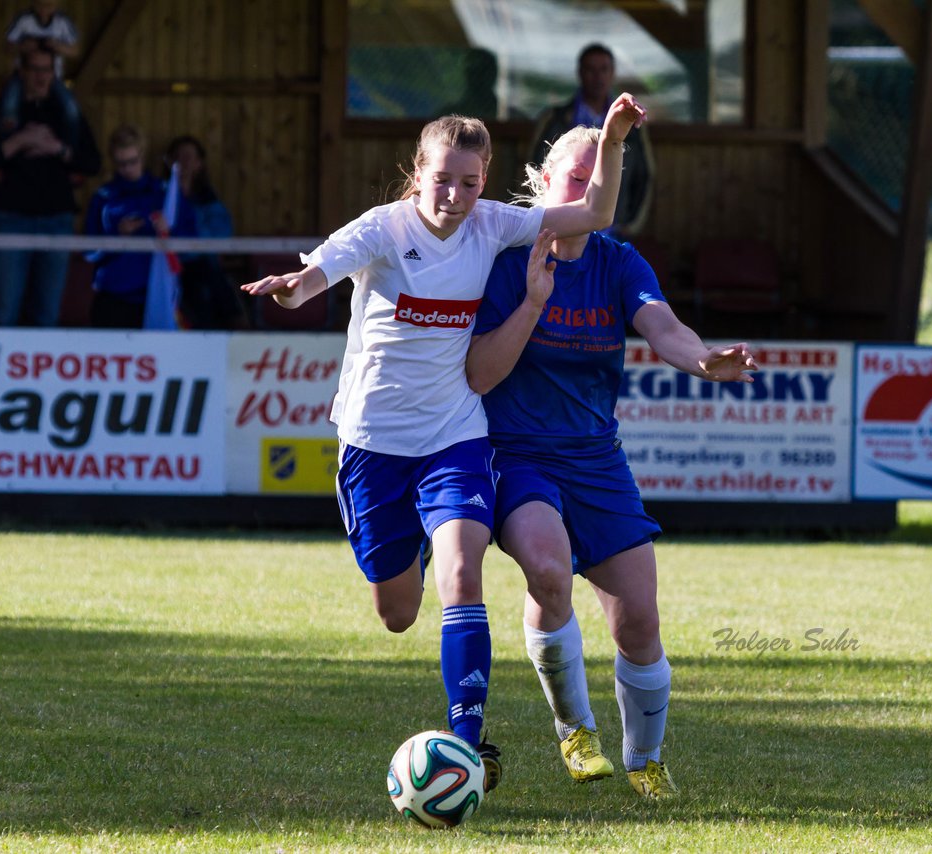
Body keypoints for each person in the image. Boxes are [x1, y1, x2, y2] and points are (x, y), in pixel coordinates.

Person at [241, 94, 648, 794]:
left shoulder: (493, 226)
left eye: (469, 181)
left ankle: (467, 748)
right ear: (418, 173)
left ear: (485, 178)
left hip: (455, 439)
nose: (454, 196)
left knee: (464, 575)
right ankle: (414, 547)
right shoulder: (383, 229)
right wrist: (294, 286)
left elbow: (595, 215)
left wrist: (611, 139)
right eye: (442, 180)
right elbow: (319, 273)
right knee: (398, 613)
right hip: (373, 446)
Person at [467, 125, 757, 799]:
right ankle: (576, 730)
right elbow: (475, 368)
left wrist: (703, 360)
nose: (590, 190)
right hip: (517, 454)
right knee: (546, 566)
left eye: (601, 178)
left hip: (597, 459)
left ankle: (645, 760)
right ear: (541, 183)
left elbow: (663, 325)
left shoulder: (619, 262)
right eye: (575, 177)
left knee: (639, 623)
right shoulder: (504, 261)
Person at [0, 45, 100, 327]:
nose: (41, 77)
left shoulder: (66, 111)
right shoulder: (3, 109)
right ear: (21, 72)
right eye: (35, 69)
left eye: (47, 70)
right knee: (5, 313)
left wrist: (57, 148)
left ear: (55, 73)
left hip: (57, 220)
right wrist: (20, 141)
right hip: (12, 219)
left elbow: (92, 163)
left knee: (48, 314)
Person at [530, 43, 654, 238]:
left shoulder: (632, 122)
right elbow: (536, 167)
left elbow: (643, 176)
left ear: (612, 74)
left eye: (604, 69)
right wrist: (542, 219)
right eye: (591, 70)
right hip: (561, 227)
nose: (598, 77)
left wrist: (631, 225)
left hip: (614, 230)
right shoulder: (555, 119)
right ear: (580, 73)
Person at [84, 125, 196, 329]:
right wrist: (117, 235)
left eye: (132, 161)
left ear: (142, 156)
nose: (127, 168)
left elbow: (192, 242)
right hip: (113, 295)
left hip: (156, 296)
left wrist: (168, 231)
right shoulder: (104, 197)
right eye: (121, 163)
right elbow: (89, 251)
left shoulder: (164, 193)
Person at [165, 135, 247, 329]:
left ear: (200, 163)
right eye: (178, 157)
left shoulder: (209, 202)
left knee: (209, 284)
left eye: (189, 157)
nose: (183, 163)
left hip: (202, 268)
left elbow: (221, 234)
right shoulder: (159, 195)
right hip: (166, 267)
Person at [0, 0, 82, 149]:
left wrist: (57, 46)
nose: (44, 9)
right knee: (8, 106)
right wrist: (24, 47)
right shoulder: (24, 20)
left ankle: (71, 148)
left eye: (49, 5)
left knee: (71, 108)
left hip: (52, 77)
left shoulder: (62, 21)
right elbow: (7, 47)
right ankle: (6, 147)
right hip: (23, 76)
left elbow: (75, 50)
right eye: (41, 5)